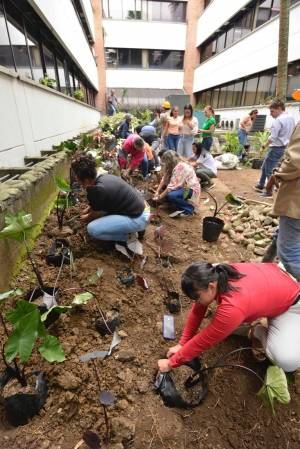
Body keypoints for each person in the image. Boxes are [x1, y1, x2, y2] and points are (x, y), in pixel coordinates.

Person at [156, 262, 300, 376]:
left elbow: (203, 341)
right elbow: (197, 311)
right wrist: (182, 344)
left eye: (196, 298)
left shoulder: (233, 307)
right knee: (230, 320)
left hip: (291, 303)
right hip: (273, 281)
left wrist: (171, 363)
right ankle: (253, 318)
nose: (195, 302)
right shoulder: (213, 270)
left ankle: (257, 330)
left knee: (287, 361)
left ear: (211, 287)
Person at [70, 151, 150, 244]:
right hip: (141, 209)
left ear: (86, 181)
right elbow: (100, 201)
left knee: (92, 229)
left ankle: (129, 237)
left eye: (76, 175)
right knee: (101, 216)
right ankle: (131, 228)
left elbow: (94, 215)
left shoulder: (97, 191)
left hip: (138, 217)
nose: (76, 178)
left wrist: (86, 218)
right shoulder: (103, 178)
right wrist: (89, 208)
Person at [265, 121, 300, 281]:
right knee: (283, 233)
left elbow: (295, 163)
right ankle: (264, 267)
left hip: (296, 197)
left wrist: (277, 175)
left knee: (289, 252)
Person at [253, 99, 295, 198]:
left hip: (276, 148)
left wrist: (263, 146)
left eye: (272, 111)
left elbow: (272, 137)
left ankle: (269, 192)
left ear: (279, 109)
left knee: (269, 170)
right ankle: (261, 184)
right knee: (264, 166)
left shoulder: (278, 120)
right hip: (285, 147)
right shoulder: (291, 118)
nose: (271, 114)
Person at [153, 150, 200, 217]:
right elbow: (164, 179)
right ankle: (177, 201)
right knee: (166, 188)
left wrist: (159, 197)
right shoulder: (174, 165)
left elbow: (171, 187)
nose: (164, 163)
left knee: (171, 196)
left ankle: (189, 209)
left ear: (169, 160)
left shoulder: (180, 167)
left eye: (165, 161)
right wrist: (157, 191)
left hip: (191, 189)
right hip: (182, 186)